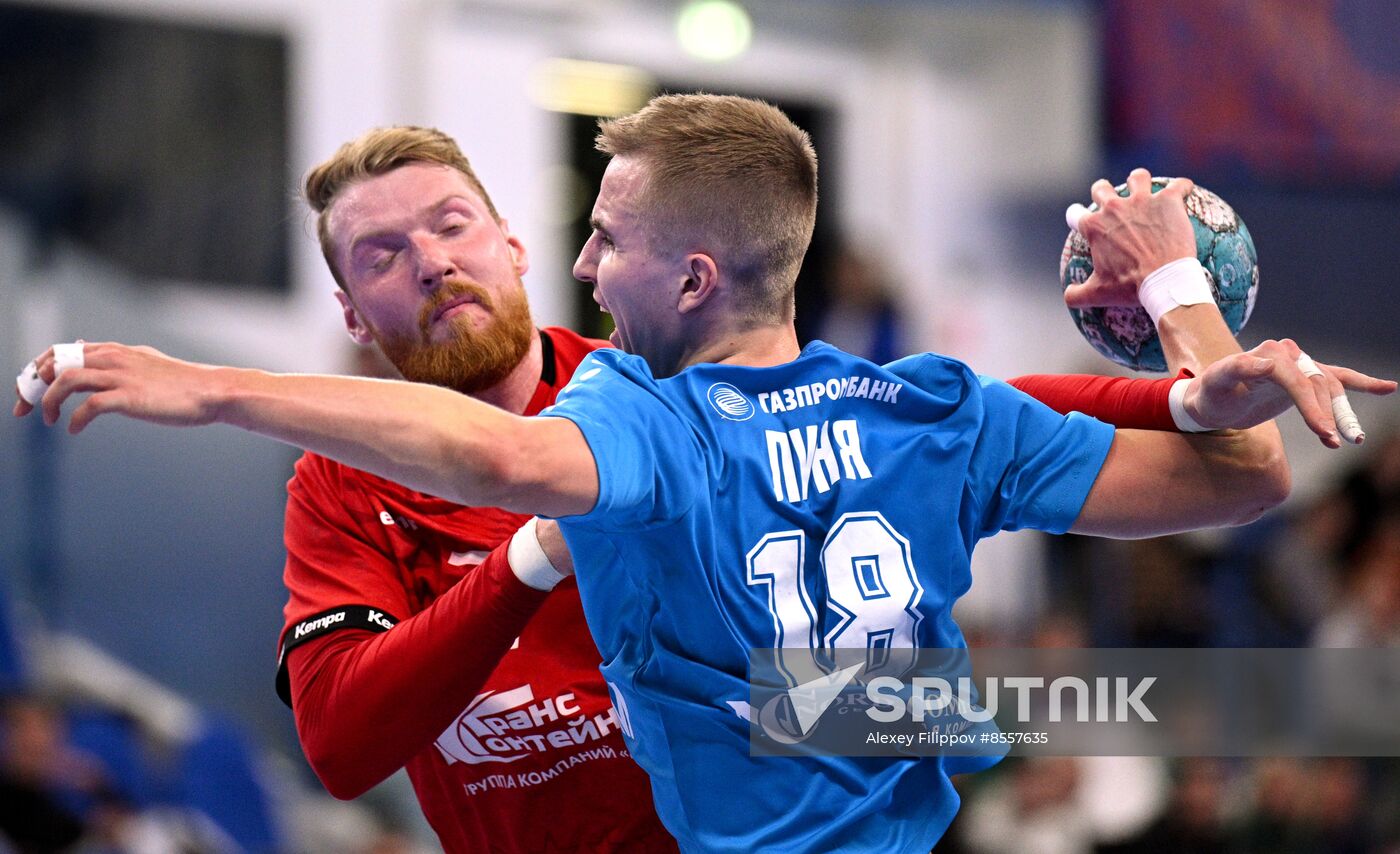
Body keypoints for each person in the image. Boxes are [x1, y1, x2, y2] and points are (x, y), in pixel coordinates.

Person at [14, 97, 1394, 852]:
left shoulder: (644, 398)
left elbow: (511, 458)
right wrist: (1180, 310)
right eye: (382, 255)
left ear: (508, 244)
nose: (430, 260)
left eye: (453, 226)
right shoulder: (348, 475)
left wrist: (204, 387)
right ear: (352, 310)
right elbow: (345, 740)